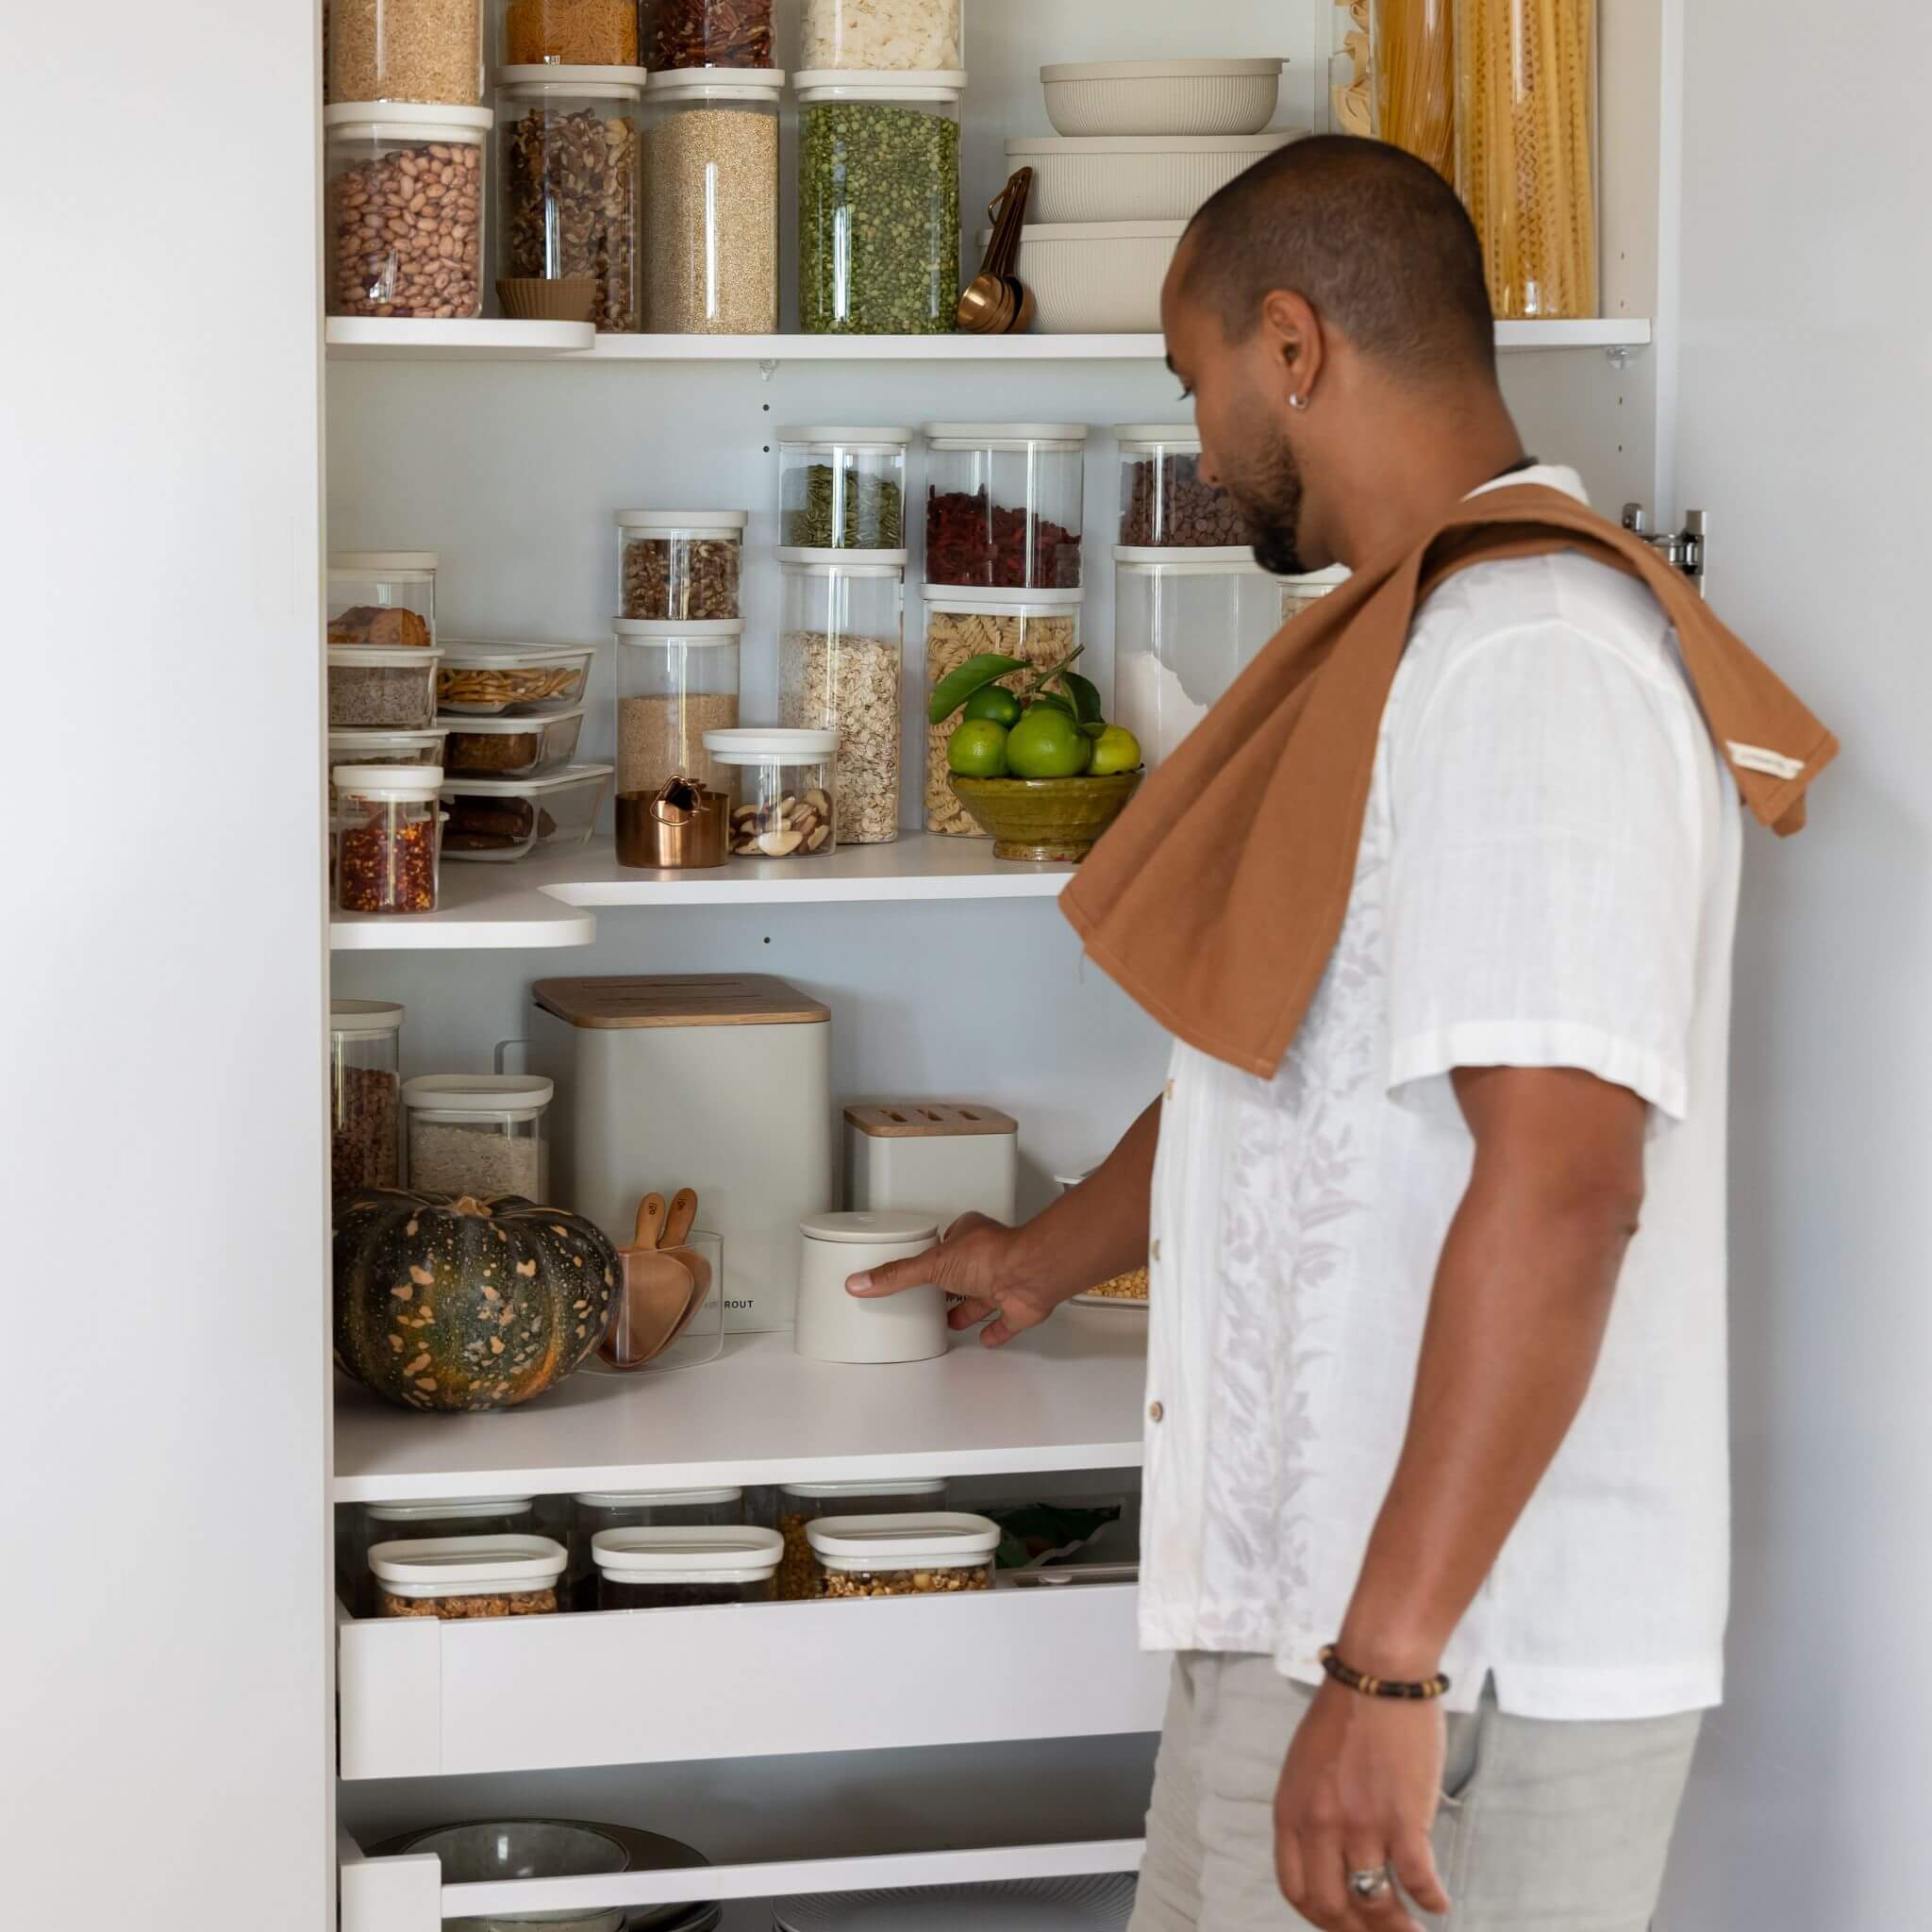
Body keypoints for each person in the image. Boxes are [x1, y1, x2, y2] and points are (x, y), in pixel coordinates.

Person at [849, 137, 1833, 1932]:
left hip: (1462, 1670)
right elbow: (1278, 1053)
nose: (1205, 442)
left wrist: (1387, 1670)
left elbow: (1565, 1189)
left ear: (1289, 347)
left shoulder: (1535, 659)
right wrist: (1042, 1258)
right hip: (1320, 1624)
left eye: (1195, 382)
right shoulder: (1412, 640)